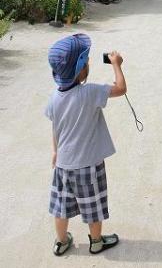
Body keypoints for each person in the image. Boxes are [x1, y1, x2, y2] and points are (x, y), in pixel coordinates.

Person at [45, 33, 127, 256]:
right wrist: (116, 65)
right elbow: (121, 88)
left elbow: (56, 128)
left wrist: (55, 151)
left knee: (61, 206)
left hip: (63, 165)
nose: (89, 62)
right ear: (80, 70)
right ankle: (97, 241)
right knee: (93, 206)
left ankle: (61, 241)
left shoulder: (53, 98)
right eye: (86, 60)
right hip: (89, 166)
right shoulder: (90, 92)